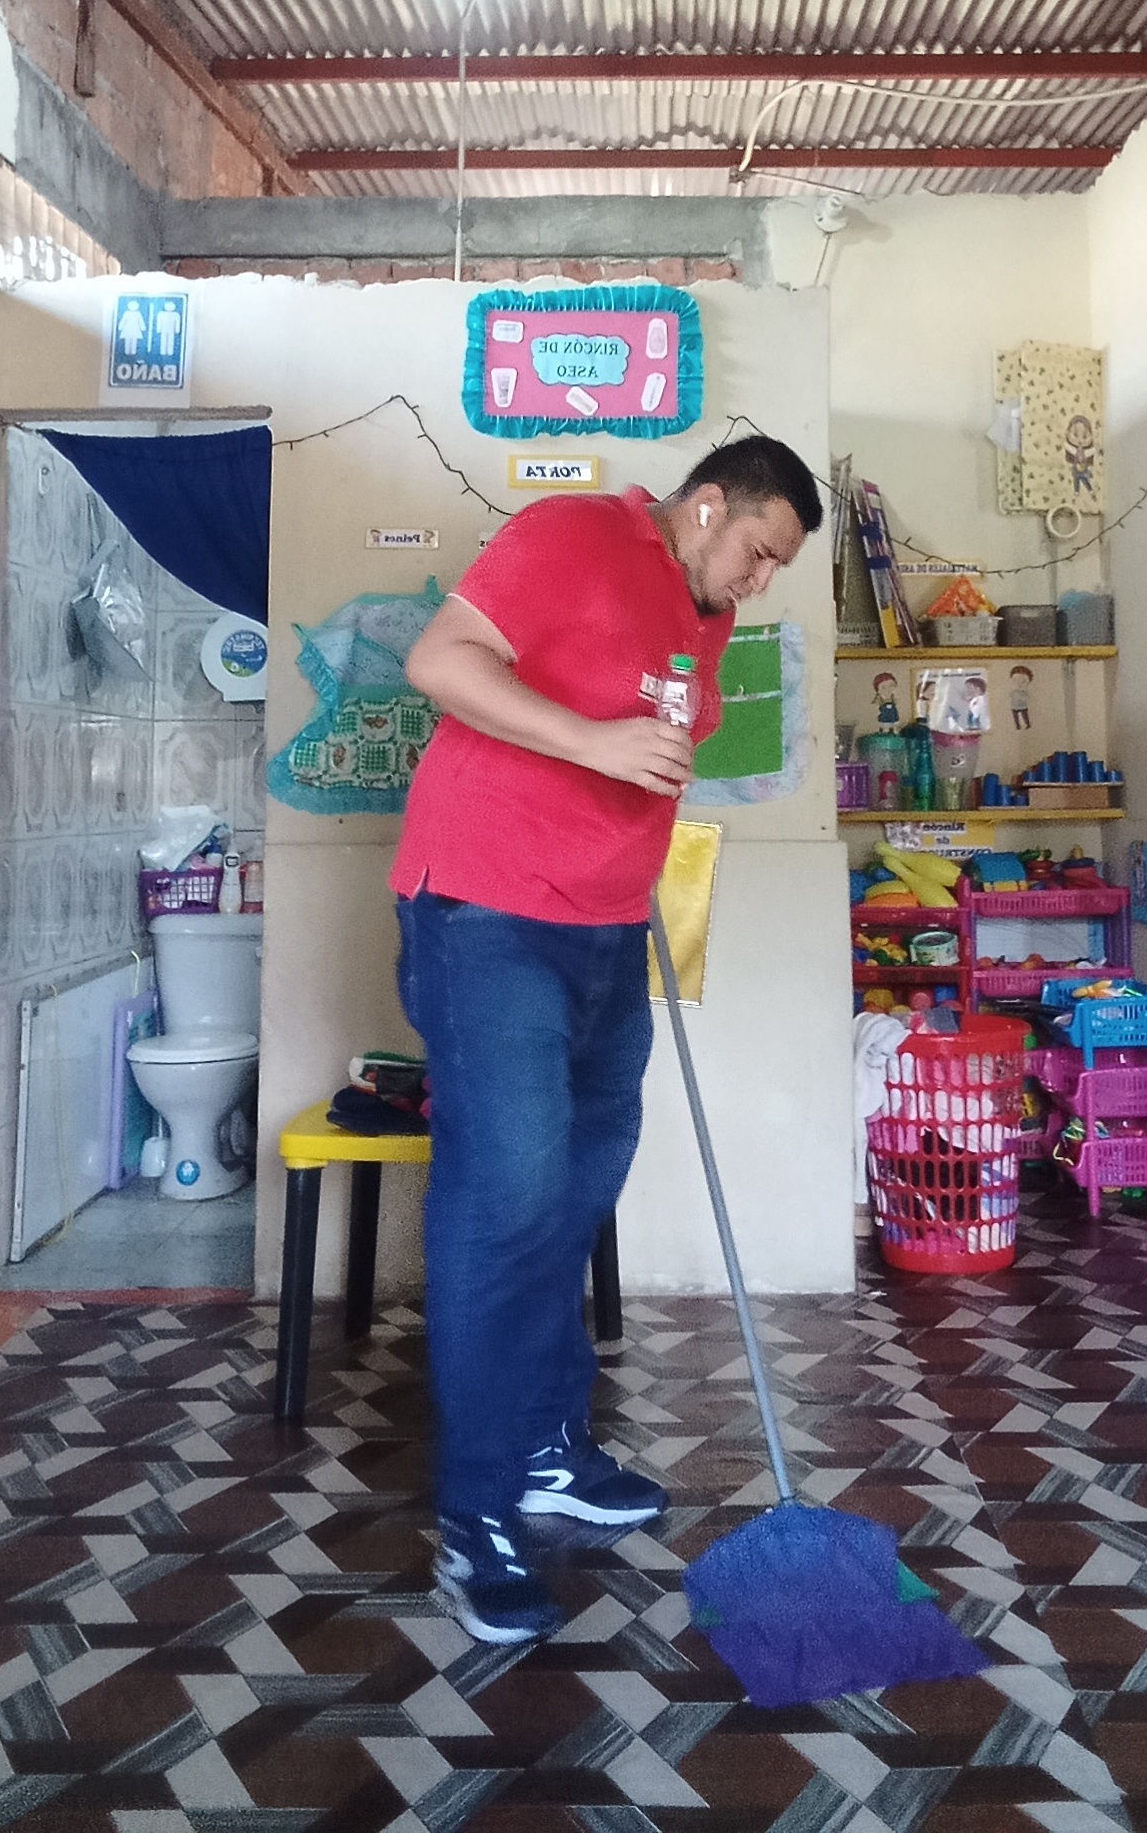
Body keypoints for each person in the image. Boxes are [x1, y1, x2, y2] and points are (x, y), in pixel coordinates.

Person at [392, 435, 823, 1644]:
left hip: (602, 937)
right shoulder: (573, 534)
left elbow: (648, 752)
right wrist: (592, 743)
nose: (759, 580)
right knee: (507, 1200)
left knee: (574, 1194)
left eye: (777, 568)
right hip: (485, 919)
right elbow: (441, 659)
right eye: (757, 550)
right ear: (706, 506)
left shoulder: (704, 620)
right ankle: (476, 1518)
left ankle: (542, 1443)